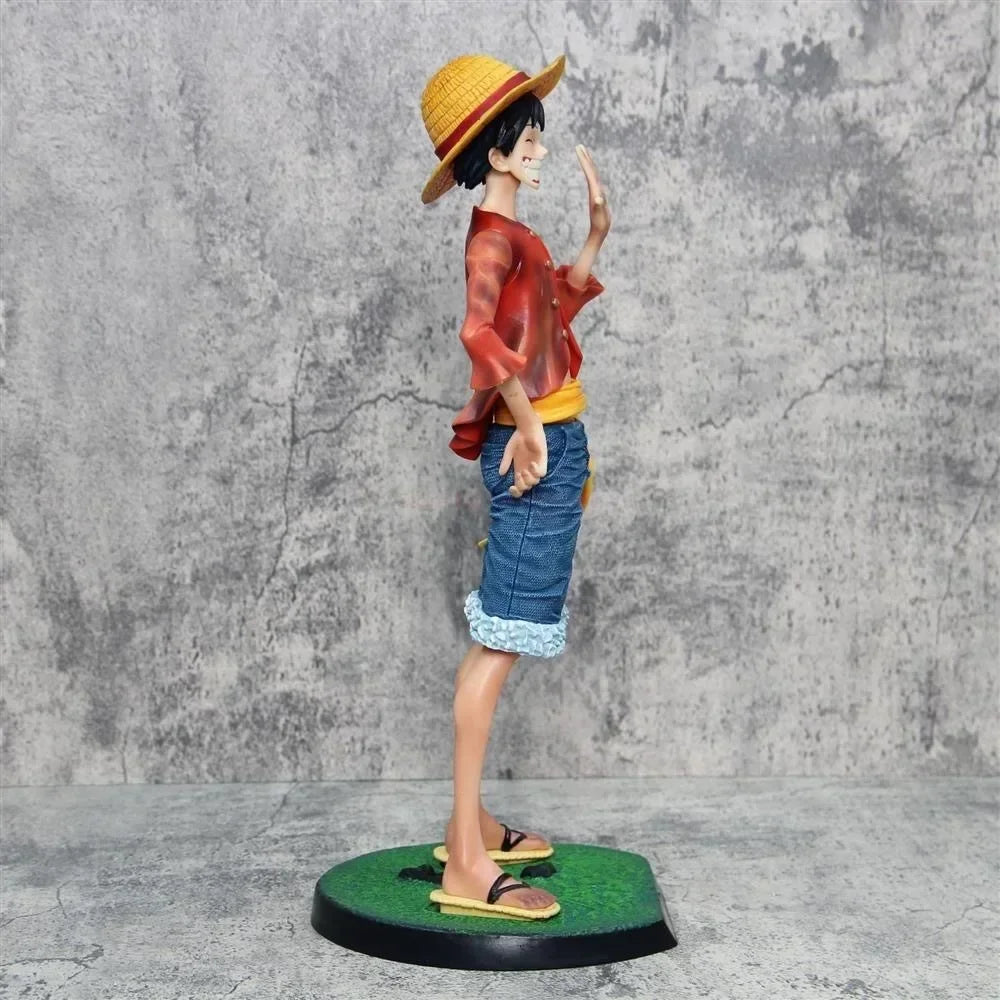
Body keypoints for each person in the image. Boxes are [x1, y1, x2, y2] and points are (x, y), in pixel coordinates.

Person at [418, 52, 611, 921]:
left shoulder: (514, 233)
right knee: (499, 643)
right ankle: (466, 861)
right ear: (492, 152)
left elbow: (541, 319)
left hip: (554, 439)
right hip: (536, 448)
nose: (538, 148)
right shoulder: (493, 239)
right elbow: (480, 334)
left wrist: (594, 239)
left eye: (536, 136)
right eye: (525, 138)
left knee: (497, 635)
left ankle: (471, 826)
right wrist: (530, 427)